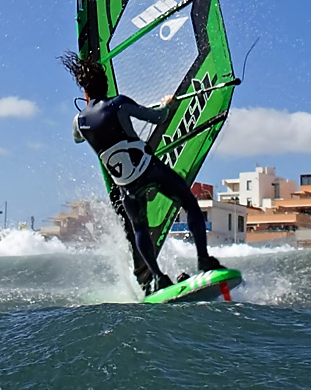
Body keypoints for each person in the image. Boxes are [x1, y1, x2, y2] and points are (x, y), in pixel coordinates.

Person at [61, 51, 225, 292]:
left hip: (127, 186)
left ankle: (158, 277)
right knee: (189, 203)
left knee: (140, 229)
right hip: (150, 171)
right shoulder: (119, 103)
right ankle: (203, 259)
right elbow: (158, 118)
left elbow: (76, 139)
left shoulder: (79, 122)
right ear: (106, 86)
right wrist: (167, 104)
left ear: (85, 92)